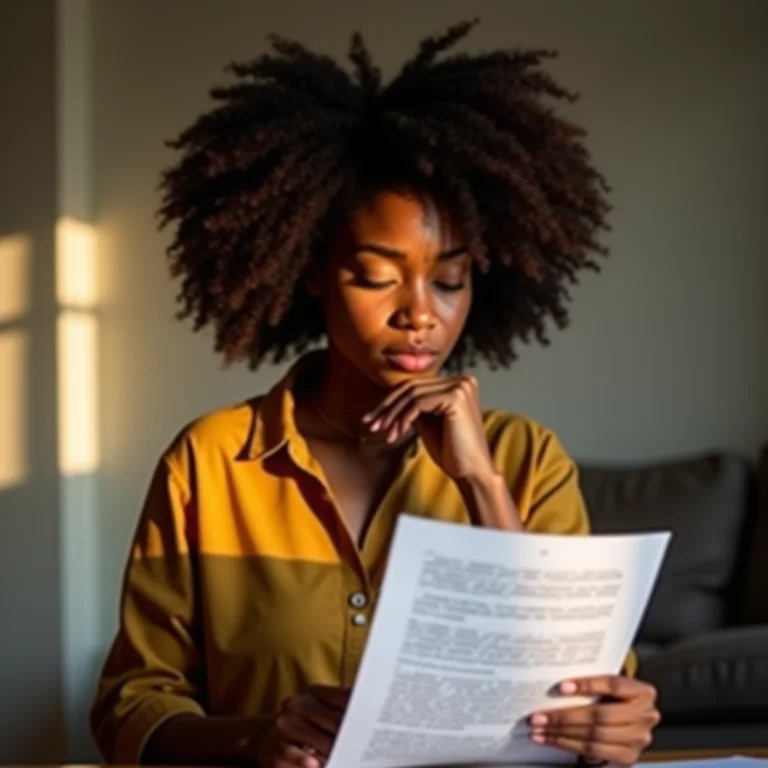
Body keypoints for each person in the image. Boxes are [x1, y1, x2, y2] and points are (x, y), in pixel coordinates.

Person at [90, 19, 660, 768]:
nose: (419, 311)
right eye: (377, 275)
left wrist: (481, 485)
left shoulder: (526, 460)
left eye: (449, 280)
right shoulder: (212, 461)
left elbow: (578, 694)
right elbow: (132, 704)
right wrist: (255, 737)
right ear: (311, 273)